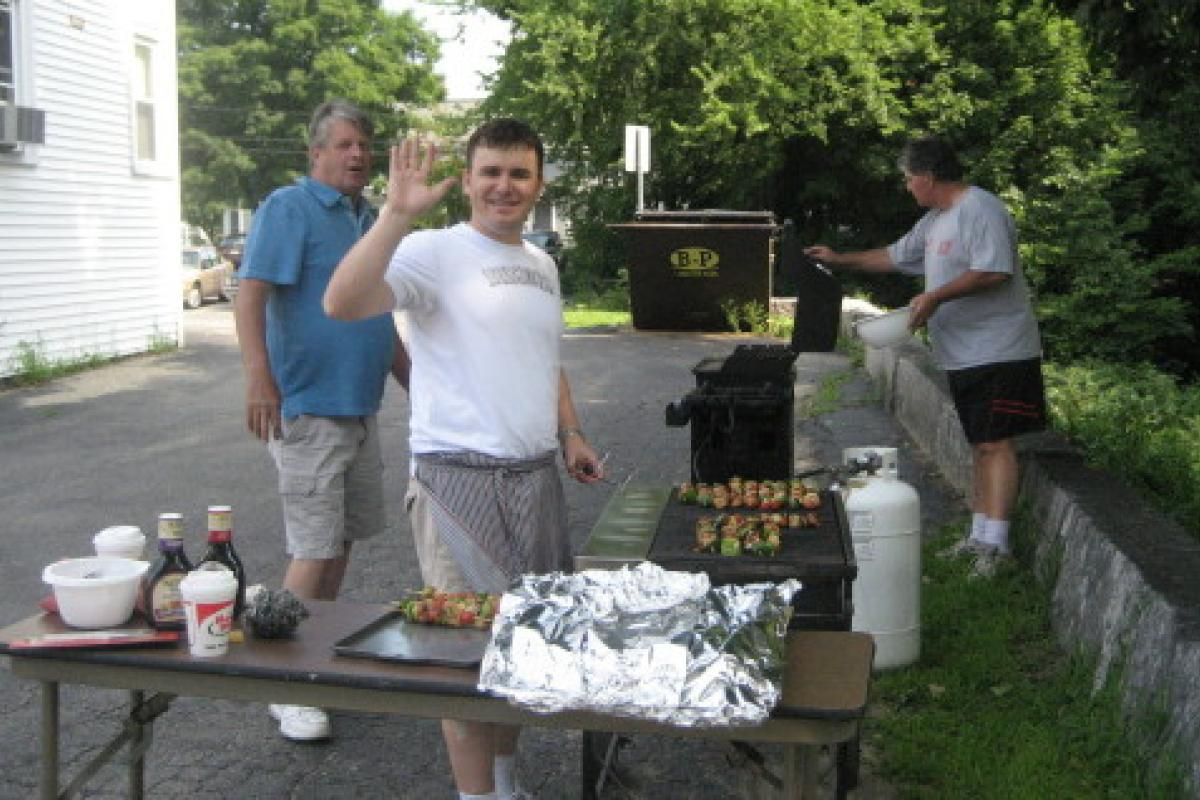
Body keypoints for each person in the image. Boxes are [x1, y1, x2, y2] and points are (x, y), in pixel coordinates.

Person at [324, 118, 603, 800]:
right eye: (491, 172)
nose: (504, 186)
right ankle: (476, 797)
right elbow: (342, 301)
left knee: (524, 644)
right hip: (457, 481)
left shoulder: (542, 266)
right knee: (463, 656)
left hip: (535, 477)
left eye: (519, 173)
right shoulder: (432, 251)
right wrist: (392, 214)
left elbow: (545, 362)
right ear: (471, 179)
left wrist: (570, 431)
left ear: (538, 184)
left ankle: (504, 780)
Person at [234, 99, 410, 741]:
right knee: (313, 548)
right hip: (308, 409)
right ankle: (284, 684)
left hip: (360, 408)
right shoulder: (290, 208)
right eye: (343, 145)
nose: (357, 154)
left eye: (363, 144)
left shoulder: (370, 219)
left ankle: (314, 659)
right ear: (315, 154)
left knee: (340, 543)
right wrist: (259, 377)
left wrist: (420, 384)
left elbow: (379, 318)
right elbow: (250, 293)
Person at [806, 135, 1045, 579]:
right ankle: (979, 536)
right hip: (963, 353)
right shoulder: (936, 220)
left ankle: (997, 546)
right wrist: (840, 260)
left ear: (929, 177)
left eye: (909, 178)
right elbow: (893, 257)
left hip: (1000, 349)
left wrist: (936, 296)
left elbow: (994, 270)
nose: (907, 186)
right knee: (980, 445)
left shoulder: (981, 209)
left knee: (996, 443)